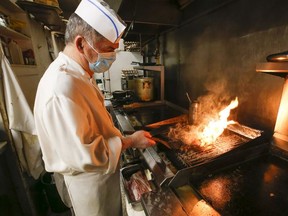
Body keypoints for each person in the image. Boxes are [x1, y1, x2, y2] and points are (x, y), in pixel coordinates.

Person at [33, 0, 156, 215]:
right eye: (109, 49)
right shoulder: (61, 86)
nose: (113, 56)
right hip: (90, 187)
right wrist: (130, 141)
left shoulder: (79, 75)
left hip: (102, 177)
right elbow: (86, 154)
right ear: (81, 44)